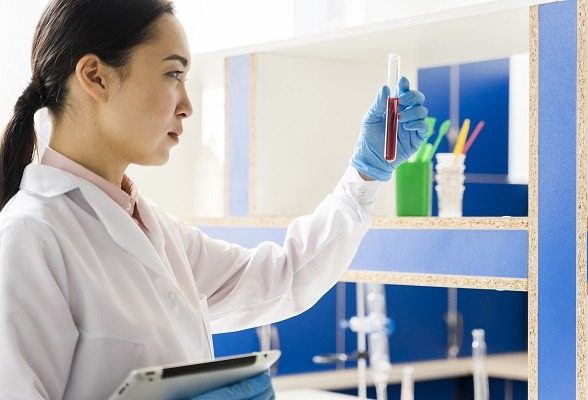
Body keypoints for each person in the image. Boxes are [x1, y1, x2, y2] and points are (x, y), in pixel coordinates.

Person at [0, 1, 428, 399]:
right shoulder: (30, 237)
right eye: (173, 74)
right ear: (96, 76)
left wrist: (365, 175)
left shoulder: (157, 232)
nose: (187, 105)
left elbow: (284, 277)